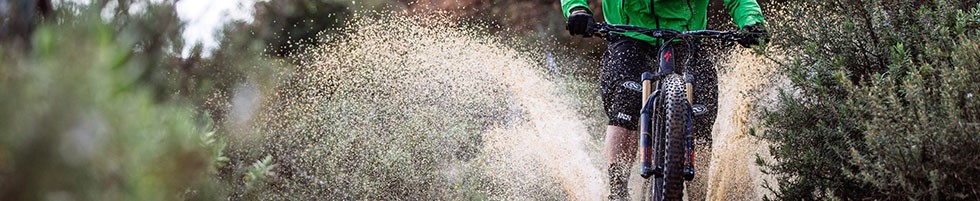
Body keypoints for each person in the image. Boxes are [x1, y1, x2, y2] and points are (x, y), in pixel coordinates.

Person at [560, 0, 768, 199]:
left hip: (687, 38)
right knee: (626, 103)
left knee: (701, 116)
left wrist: (752, 21)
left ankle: (700, 195)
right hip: (629, 35)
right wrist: (577, 9)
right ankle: (618, 192)